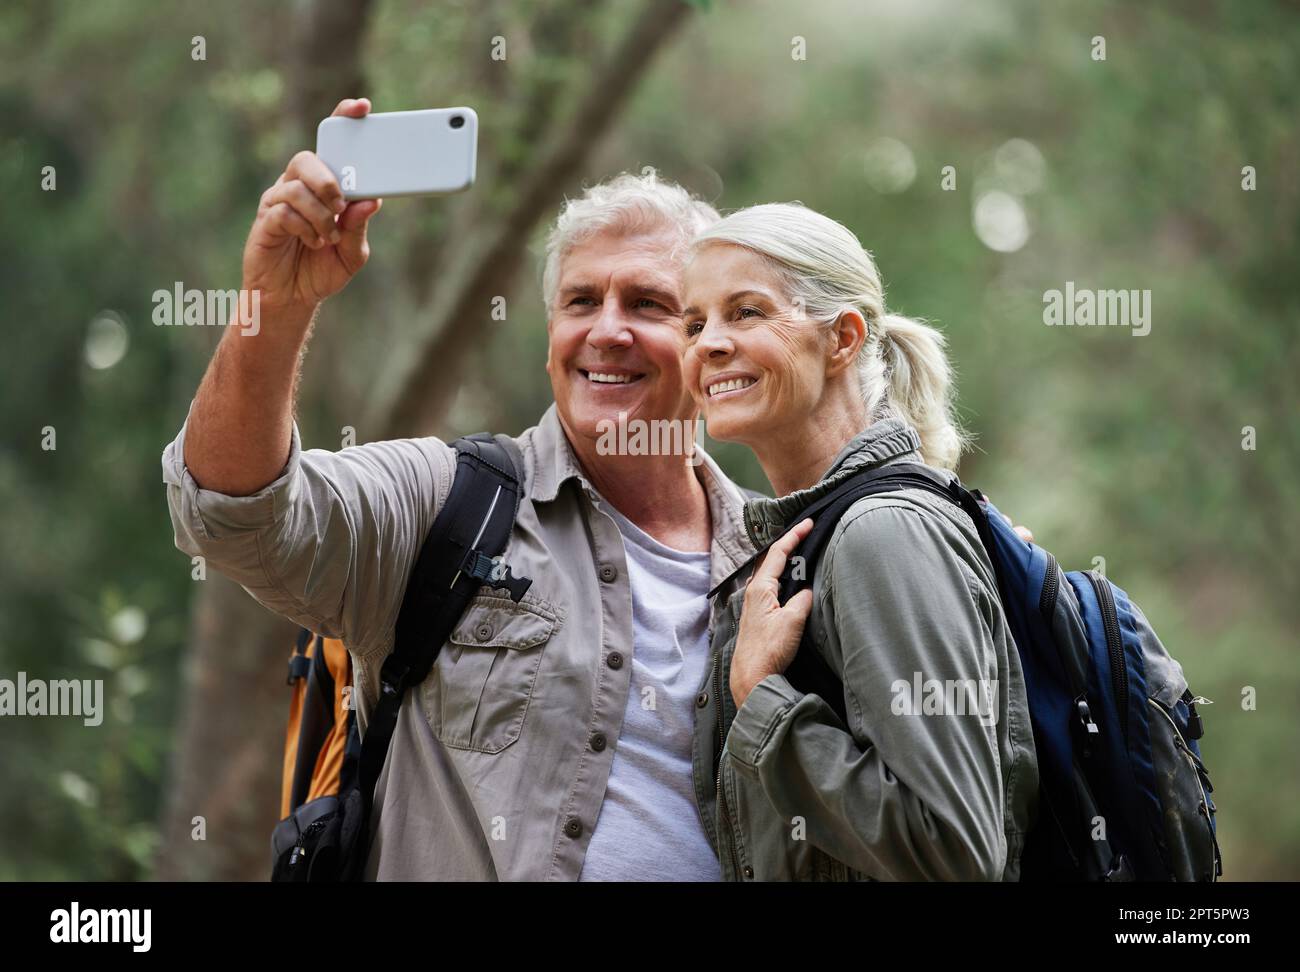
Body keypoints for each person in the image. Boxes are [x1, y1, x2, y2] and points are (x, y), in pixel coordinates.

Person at [679, 202, 1039, 880]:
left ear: (842, 339)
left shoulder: (883, 533)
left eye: (747, 312)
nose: (708, 344)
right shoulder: (826, 534)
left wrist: (763, 701)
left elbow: (954, 850)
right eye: (694, 323)